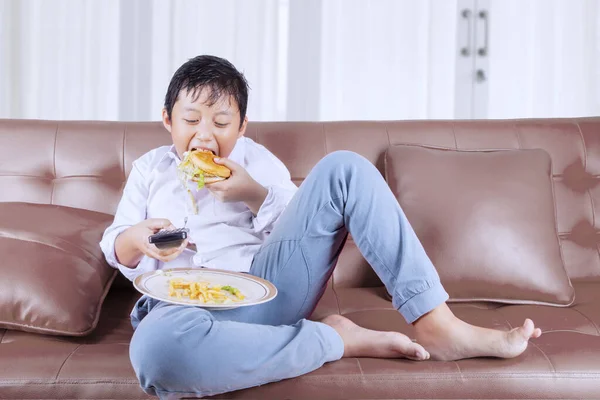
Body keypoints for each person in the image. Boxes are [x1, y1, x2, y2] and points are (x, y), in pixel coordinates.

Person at [100, 55, 542, 399]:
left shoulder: (256, 161)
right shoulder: (148, 170)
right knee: (156, 356)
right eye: (191, 120)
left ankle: (436, 322)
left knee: (345, 167)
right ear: (167, 120)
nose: (205, 134)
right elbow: (115, 245)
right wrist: (136, 239)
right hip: (183, 310)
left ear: (242, 126)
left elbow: (302, 228)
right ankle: (335, 339)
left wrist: (254, 193)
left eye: (221, 122)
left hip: (265, 291)